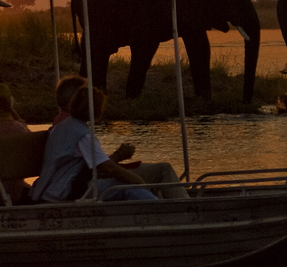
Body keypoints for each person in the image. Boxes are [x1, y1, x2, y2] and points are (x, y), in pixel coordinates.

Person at [50, 76, 188, 199]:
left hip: (81, 179)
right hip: (77, 185)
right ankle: (179, 210)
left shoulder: (69, 124)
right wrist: (134, 176)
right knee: (152, 174)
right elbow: (103, 168)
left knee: (135, 179)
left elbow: (95, 164)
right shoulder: (77, 130)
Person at [31, 86, 160, 203]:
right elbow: (108, 168)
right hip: (65, 190)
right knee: (127, 187)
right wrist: (137, 180)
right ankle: (160, 209)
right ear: (98, 110)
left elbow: (97, 166)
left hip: (57, 186)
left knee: (123, 182)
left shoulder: (64, 127)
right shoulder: (82, 135)